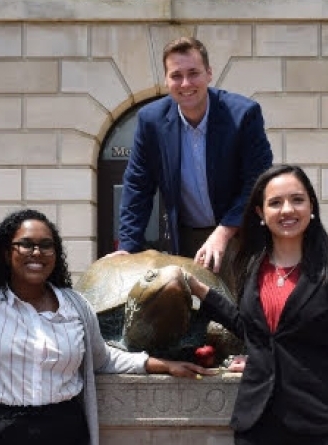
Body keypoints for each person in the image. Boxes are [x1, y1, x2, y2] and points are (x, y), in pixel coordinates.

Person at [0, 209, 209, 445]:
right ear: (6, 252)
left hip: (61, 429)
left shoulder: (77, 308)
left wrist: (160, 364)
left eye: (46, 246)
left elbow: (101, 358)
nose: (37, 252)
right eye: (25, 245)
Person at [176, 164, 328, 444]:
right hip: (258, 422)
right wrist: (201, 290)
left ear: (311, 206)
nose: (287, 210)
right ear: (260, 213)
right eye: (275, 203)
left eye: (297, 200)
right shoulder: (251, 266)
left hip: (321, 426)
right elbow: (253, 330)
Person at [112, 36, 273, 274]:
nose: (186, 83)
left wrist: (224, 231)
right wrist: (127, 248)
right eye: (176, 75)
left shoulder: (243, 114)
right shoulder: (151, 121)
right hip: (186, 237)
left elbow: (258, 181)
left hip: (240, 231)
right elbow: (138, 187)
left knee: (240, 304)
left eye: (193, 73)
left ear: (209, 73)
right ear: (166, 80)